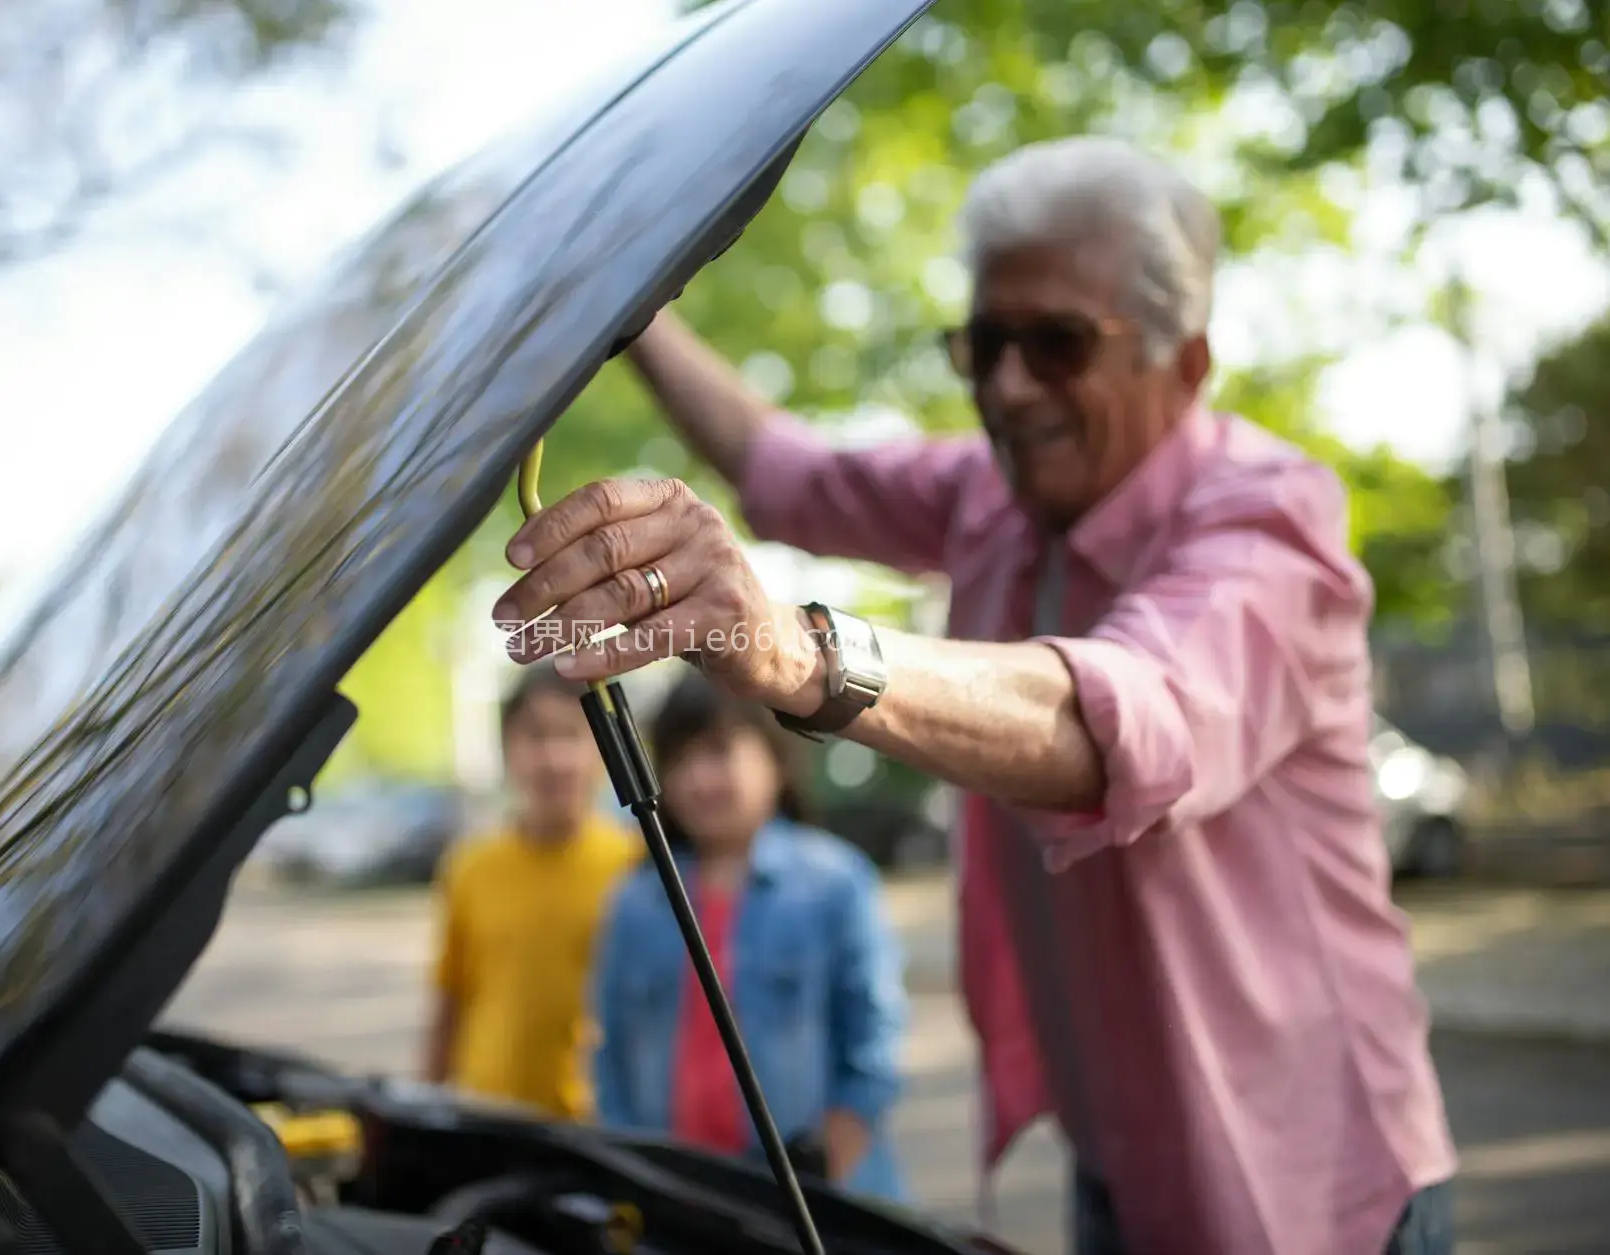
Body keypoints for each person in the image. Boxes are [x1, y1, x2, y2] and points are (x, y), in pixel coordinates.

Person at [487, 136, 1458, 1255]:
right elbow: (784, 472)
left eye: (1055, 345)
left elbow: (1123, 716)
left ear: (1182, 365)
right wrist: (632, 306)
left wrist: (796, 654)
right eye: (985, 343)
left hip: (1306, 1173)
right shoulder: (985, 498)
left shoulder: (1268, 519)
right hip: (1119, 1162)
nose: (1005, 386)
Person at [589, 670, 909, 1201]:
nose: (698, 779)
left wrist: (835, 1147)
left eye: (719, 752)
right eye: (680, 758)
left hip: (812, 1196)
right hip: (680, 1194)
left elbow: (874, 1036)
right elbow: (611, 1052)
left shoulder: (834, 882)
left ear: (775, 760)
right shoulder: (636, 901)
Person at [423, 667, 639, 1120]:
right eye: (535, 736)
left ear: (602, 751)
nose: (554, 758)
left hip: (599, 1122)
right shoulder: (470, 866)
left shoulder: (637, 865)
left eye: (570, 735)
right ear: (508, 751)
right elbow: (450, 1003)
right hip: (488, 1113)